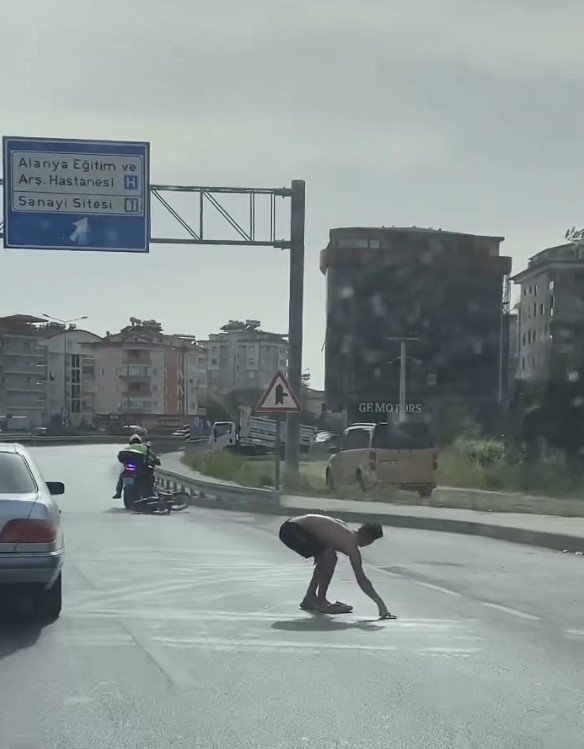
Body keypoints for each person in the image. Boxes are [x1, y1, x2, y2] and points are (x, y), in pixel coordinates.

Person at [278, 514, 396, 619]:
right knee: (329, 556)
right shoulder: (350, 544)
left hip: (293, 525)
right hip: (292, 530)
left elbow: (329, 525)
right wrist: (381, 605)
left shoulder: (345, 532)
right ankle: (321, 601)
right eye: (372, 541)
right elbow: (361, 579)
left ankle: (310, 598)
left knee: (327, 555)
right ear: (368, 538)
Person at [112, 434, 154, 499]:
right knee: (149, 477)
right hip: (141, 468)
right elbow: (153, 456)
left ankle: (118, 493)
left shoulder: (127, 449)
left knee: (122, 476)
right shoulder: (144, 447)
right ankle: (151, 493)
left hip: (129, 469)